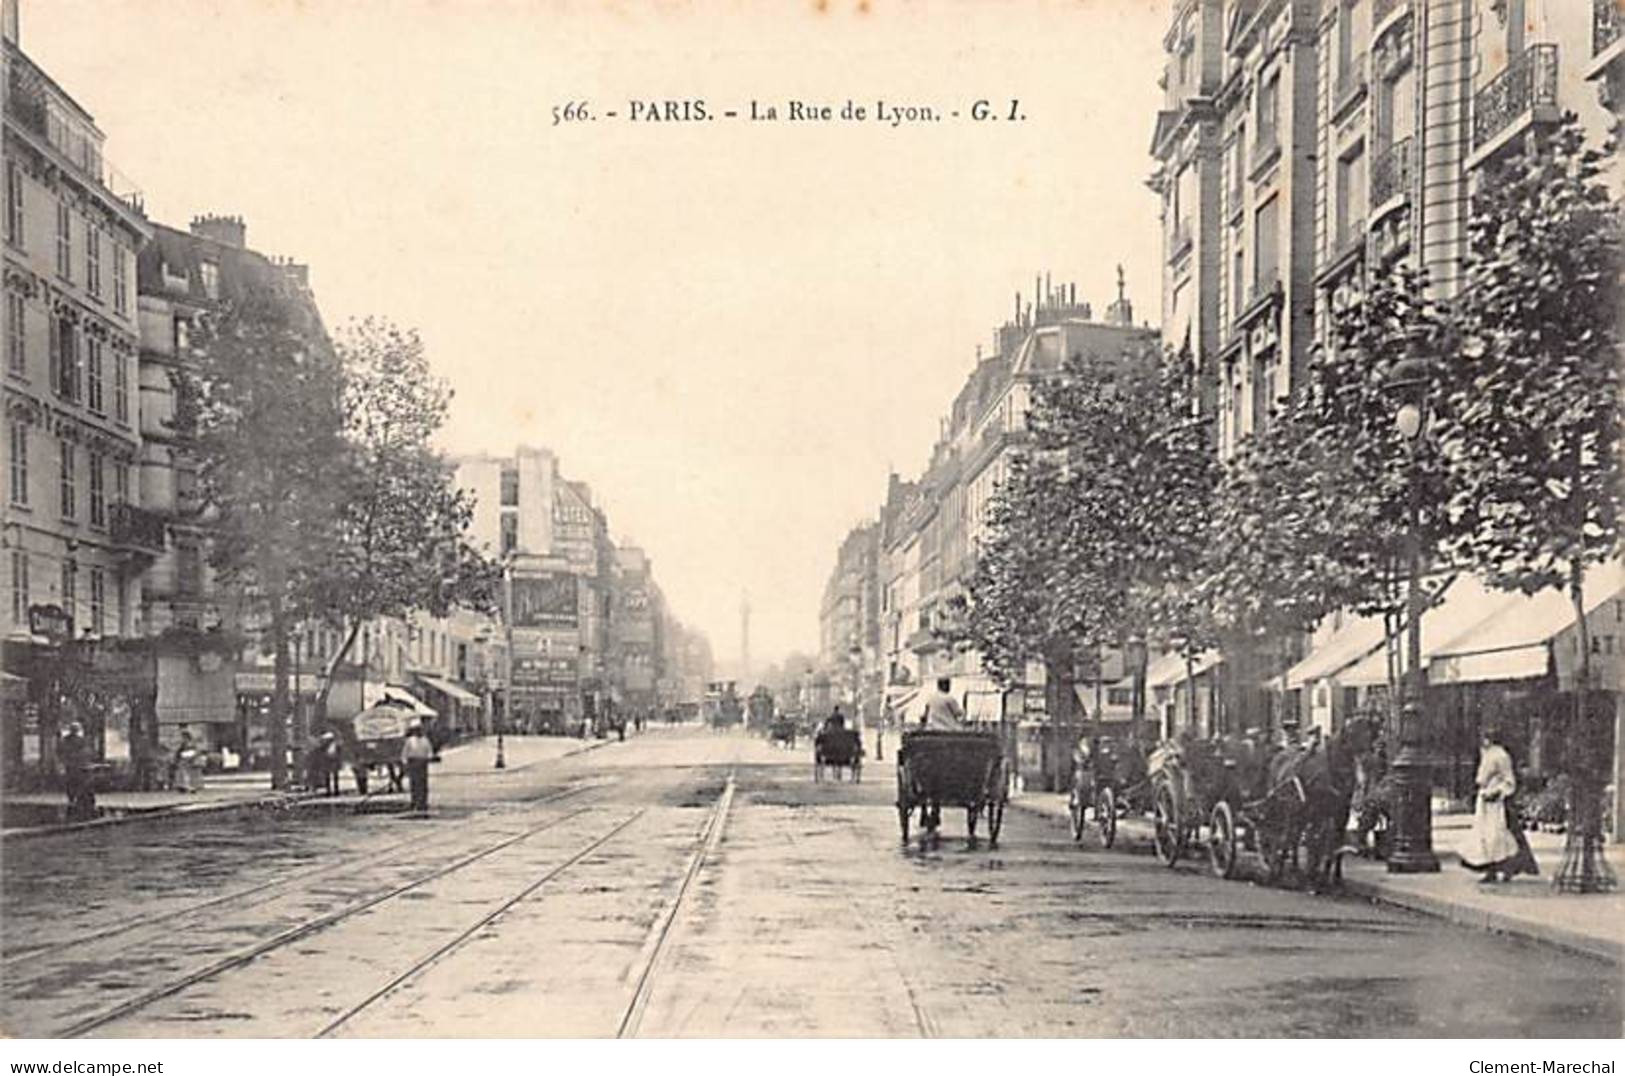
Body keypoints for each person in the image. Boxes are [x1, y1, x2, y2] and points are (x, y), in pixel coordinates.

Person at [1462, 726, 1539, 884]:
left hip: (1496, 803)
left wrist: (1498, 792)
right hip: (1484, 801)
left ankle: (1505, 868)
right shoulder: (1487, 754)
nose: (1485, 740)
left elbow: (1509, 780)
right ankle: (1490, 869)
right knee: (1485, 836)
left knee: (1497, 837)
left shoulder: (1501, 756)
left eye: (1488, 737)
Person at [59, 722, 95, 822]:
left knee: (70, 783)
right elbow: (85, 752)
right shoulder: (81, 741)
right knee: (80, 783)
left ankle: (72, 799)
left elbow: (61, 752)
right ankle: (78, 800)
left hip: (70, 766)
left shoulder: (65, 740)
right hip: (78, 766)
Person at [401, 721, 435, 814]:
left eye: (419, 729)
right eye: (416, 730)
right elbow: (405, 753)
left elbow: (430, 751)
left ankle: (423, 802)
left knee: (423, 784)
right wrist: (405, 764)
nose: (418, 732)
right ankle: (415, 801)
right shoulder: (410, 740)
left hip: (422, 764)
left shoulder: (425, 740)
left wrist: (429, 758)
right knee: (414, 784)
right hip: (413, 763)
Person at [173, 727, 202, 793]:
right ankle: (183, 786)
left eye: (183, 737)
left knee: (188, 774)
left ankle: (189, 787)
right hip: (184, 761)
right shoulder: (184, 744)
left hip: (188, 761)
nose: (183, 739)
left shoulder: (190, 744)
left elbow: (194, 752)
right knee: (183, 774)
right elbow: (179, 752)